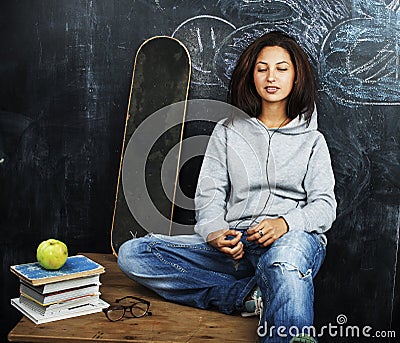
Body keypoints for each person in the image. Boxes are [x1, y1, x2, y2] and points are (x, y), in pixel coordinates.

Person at [118, 31, 336, 343]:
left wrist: (285, 223)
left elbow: (325, 206)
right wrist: (215, 231)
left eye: (281, 68)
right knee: (134, 254)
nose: (271, 77)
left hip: (292, 241)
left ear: (296, 76)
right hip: (238, 244)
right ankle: (247, 296)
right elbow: (210, 194)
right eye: (262, 69)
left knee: (283, 263)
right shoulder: (228, 131)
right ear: (251, 76)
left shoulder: (312, 141)